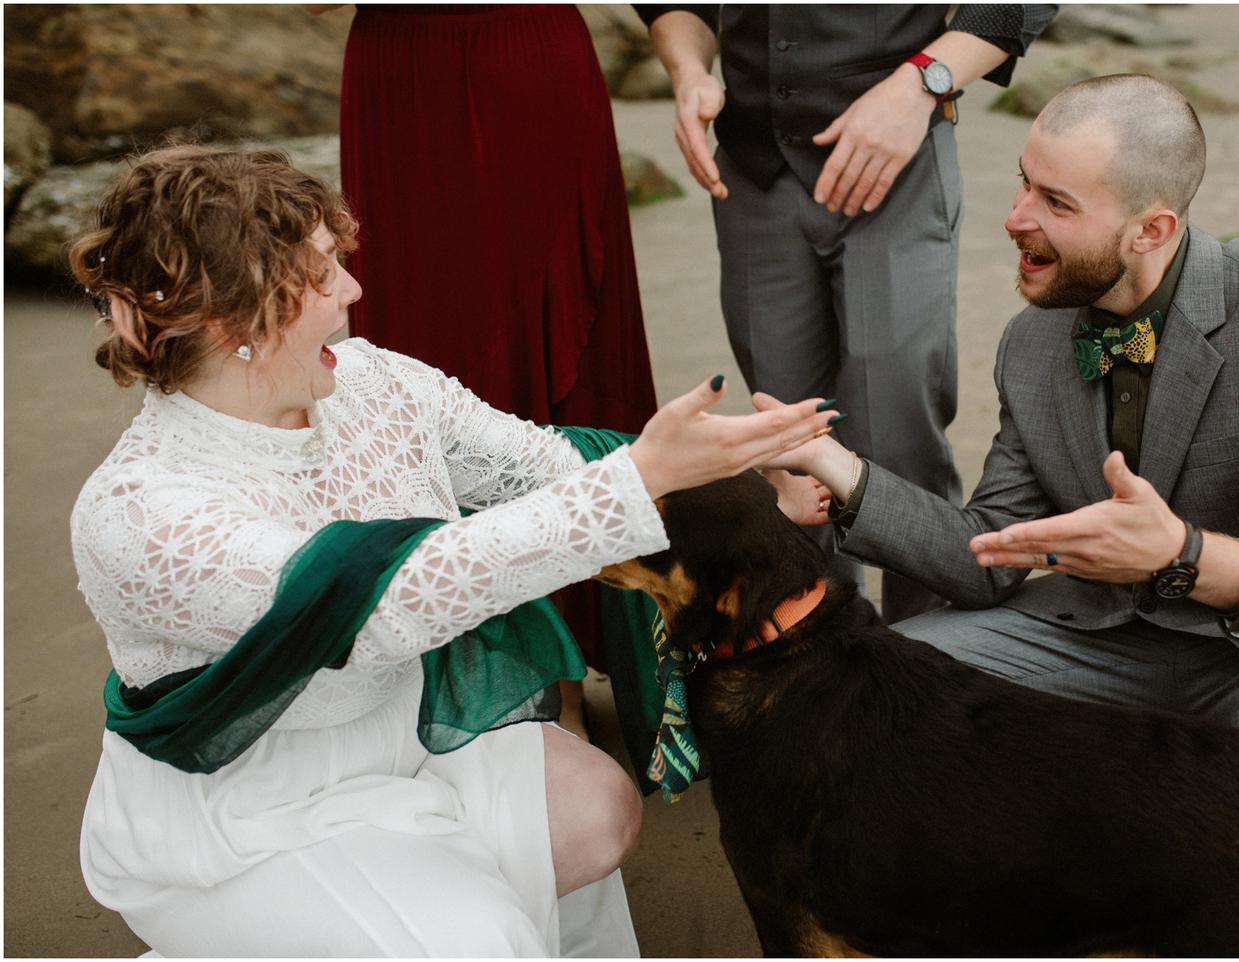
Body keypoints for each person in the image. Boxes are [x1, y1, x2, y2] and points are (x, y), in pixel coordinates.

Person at [67, 144, 836, 957]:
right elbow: (384, 604)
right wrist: (640, 479)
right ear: (234, 322)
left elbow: (549, 469)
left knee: (596, 814)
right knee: (474, 942)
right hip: (249, 811)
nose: (354, 289)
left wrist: (734, 475)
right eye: (323, 273)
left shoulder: (372, 381)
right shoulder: (140, 511)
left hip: (409, 734)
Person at [764, 74, 1239, 844]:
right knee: (889, 685)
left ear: (1151, 229)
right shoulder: (1032, 341)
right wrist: (837, 470)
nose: (1014, 218)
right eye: (1023, 182)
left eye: (1056, 202)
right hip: (1100, 637)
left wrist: (1184, 555)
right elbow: (989, 554)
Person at [640, 4, 1056, 625]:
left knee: (897, 429)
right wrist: (689, 69)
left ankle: (929, 651)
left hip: (899, 164)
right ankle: (814, 656)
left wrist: (921, 83)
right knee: (783, 438)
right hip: (752, 172)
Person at [317, 3, 660, 737]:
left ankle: (564, 665)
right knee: (426, 350)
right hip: (404, 81)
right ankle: (466, 662)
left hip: (523, 54)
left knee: (558, 336)